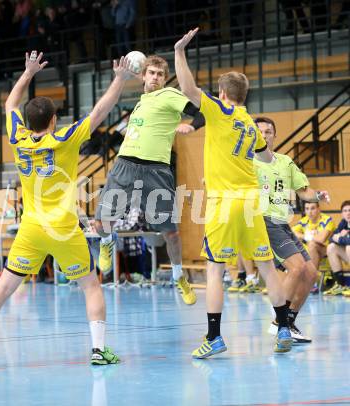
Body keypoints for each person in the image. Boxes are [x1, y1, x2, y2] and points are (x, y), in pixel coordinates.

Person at [0, 50, 133, 368]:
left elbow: (9, 104)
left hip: (31, 230)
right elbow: (101, 111)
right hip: (63, 229)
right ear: (53, 121)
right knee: (90, 285)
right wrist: (119, 79)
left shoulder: (18, 138)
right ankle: (99, 350)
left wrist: (28, 72)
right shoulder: (66, 138)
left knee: (4, 286)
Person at [174, 28, 292, 358]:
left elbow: (187, 88)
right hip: (252, 202)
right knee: (268, 268)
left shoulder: (220, 110)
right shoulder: (251, 124)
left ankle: (213, 337)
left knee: (215, 269)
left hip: (224, 203)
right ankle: (283, 327)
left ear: (223, 92)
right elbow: (267, 156)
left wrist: (180, 52)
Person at [94, 55, 205, 306]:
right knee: (100, 223)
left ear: (164, 79)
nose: (155, 77)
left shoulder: (170, 96)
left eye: (160, 74)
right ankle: (106, 242)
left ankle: (179, 276)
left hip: (157, 171)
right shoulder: (139, 103)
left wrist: (192, 127)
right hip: (125, 164)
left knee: (171, 233)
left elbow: (203, 113)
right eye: (151, 73)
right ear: (143, 76)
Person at [253, 116, 330, 343]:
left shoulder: (285, 162)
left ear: (275, 136)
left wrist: (318, 196)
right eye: (260, 132)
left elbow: (304, 190)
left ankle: (290, 321)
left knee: (311, 273)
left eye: (269, 132)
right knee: (296, 268)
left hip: (282, 223)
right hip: (264, 221)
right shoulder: (247, 162)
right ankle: (280, 322)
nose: (265, 135)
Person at [292, 202, 335, 270]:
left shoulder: (327, 220)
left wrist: (305, 236)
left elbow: (321, 239)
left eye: (312, 208)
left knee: (312, 244)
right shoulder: (303, 221)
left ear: (318, 209)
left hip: (325, 250)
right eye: (307, 209)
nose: (310, 212)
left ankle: (312, 277)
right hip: (309, 253)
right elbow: (292, 233)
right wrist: (306, 236)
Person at [325, 200, 350, 296]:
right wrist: (340, 237)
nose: (348, 213)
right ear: (342, 214)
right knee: (331, 247)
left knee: (348, 248)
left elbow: (342, 240)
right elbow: (331, 239)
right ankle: (341, 285)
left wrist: (341, 238)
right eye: (345, 211)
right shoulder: (343, 223)